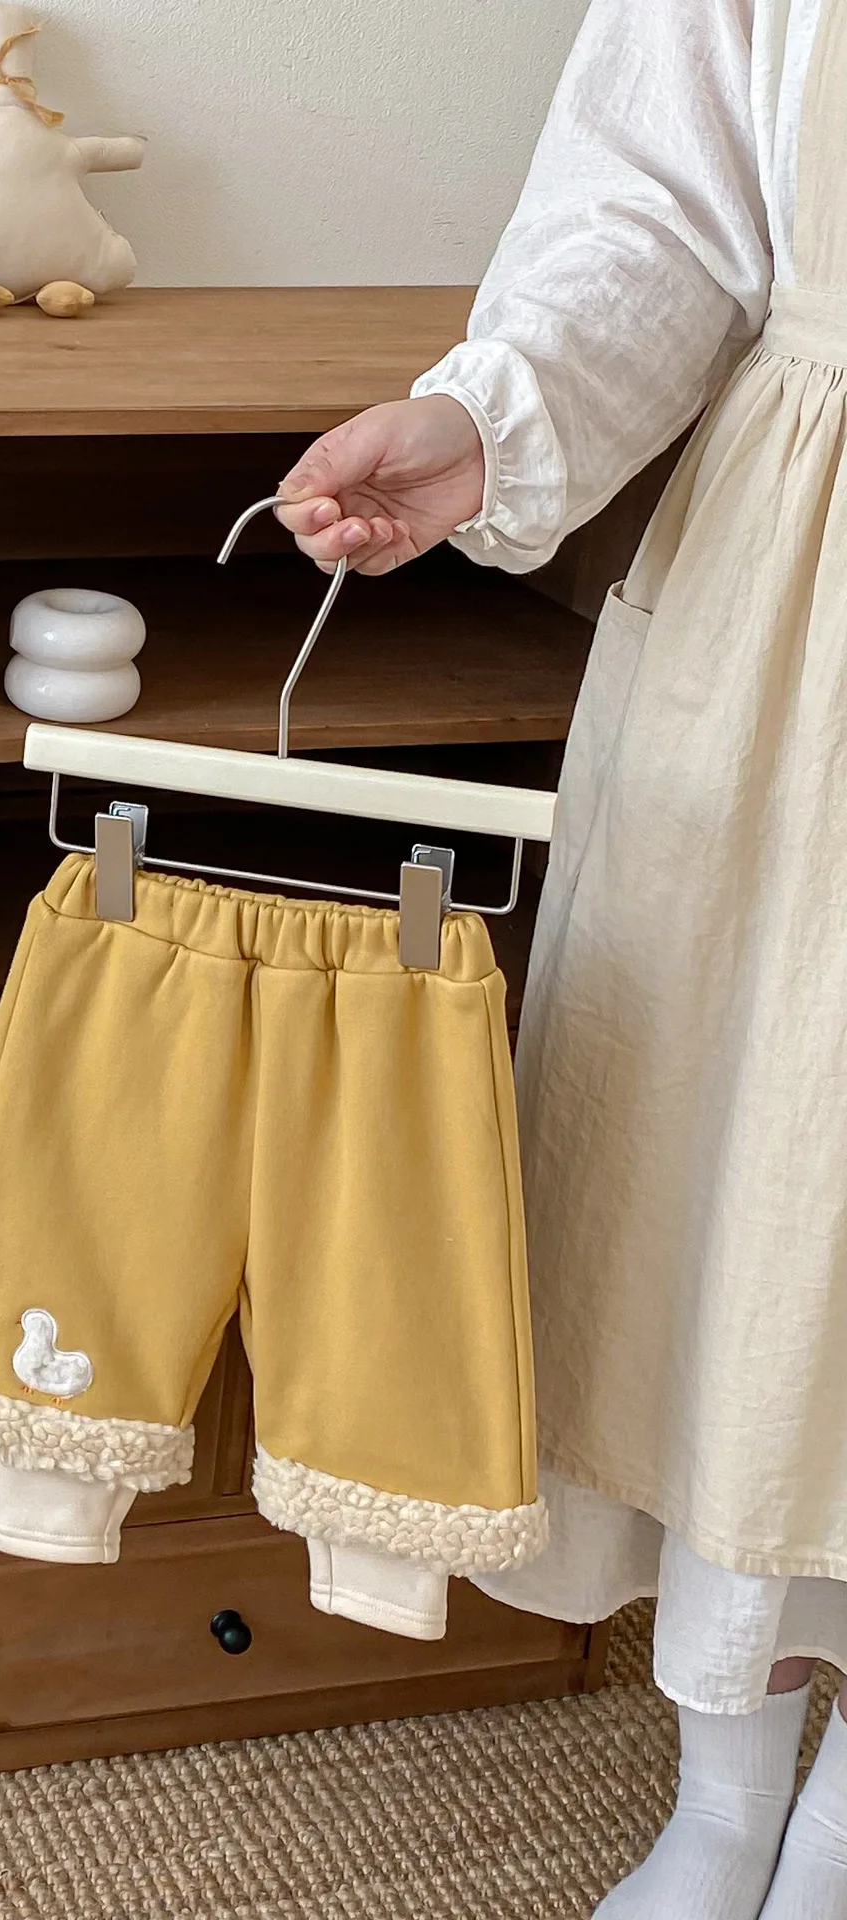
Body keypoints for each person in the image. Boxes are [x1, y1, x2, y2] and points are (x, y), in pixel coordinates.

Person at [275, 2, 847, 1915]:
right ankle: (730, 1799)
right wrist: (486, 416)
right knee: (750, 1209)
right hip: (809, 596)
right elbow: (660, 200)